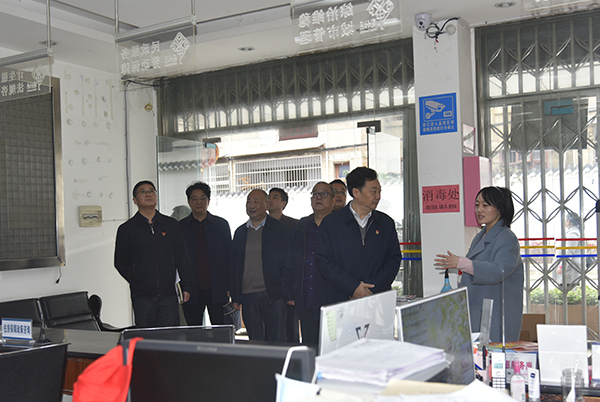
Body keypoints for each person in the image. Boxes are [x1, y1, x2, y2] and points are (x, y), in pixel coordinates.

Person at [435, 186, 524, 343]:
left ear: (500, 209)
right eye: (477, 205)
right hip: (478, 308)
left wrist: (462, 263)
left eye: (485, 205)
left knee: (493, 353)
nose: (479, 210)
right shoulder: (480, 236)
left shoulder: (507, 238)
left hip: (496, 313)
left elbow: (499, 271)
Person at [316, 167, 402, 308]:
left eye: (379, 191)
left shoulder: (386, 223)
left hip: (377, 300)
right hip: (341, 300)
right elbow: (324, 261)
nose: (378, 196)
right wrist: (353, 288)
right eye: (373, 191)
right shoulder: (331, 223)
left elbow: (393, 260)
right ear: (356, 192)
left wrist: (370, 289)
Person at [114, 180, 193, 328]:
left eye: (151, 191)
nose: (148, 194)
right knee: (147, 337)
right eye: (143, 192)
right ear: (135, 200)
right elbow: (120, 262)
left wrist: (187, 286)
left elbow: (182, 257)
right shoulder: (127, 229)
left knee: (170, 336)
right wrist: (138, 280)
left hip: (168, 294)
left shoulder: (171, 225)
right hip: (142, 296)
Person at [230, 189, 291, 342]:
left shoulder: (279, 229)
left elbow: (288, 263)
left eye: (256, 202)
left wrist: (286, 291)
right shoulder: (240, 232)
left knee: (276, 339)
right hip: (248, 295)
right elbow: (234, 266)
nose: (251, 205)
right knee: (255, 340)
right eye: (249, 202)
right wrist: (235, 295)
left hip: (273, 295)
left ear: (267, 205)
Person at [284, 181, 335, 347]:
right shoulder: (301, 226)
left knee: (332, 345)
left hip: (333, 299)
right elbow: (291, 260)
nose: (318, 197)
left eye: (323, 194)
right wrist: (289, 291)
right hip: (306, 297)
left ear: (333, 200)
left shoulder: (340, 225)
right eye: (315, 194)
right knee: (309, 345)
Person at [179, 182, 231, 326]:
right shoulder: (180, 227)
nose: (198, 202)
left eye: (202, 198)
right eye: (194, 198)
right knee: (194, 330)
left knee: (220, 329)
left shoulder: (221, 225)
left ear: (208, 201)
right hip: (191, 290)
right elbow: (177, 259)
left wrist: (229, 286)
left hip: (217, 287)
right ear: (189, 202)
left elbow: (229, 257)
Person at [268, 187, 300, 343]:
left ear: (283, 203)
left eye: (275, 197)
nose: (270, 200)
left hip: (288, 282)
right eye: (268, 197)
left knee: (290, 325)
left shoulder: (294, 225)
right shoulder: (260, 225)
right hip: (268, 284)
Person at [555, 211, 582, 288]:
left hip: (569, 271)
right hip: (568, 270)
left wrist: (562, 266)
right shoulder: (571, 232)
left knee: (567, 290)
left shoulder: (573, 233)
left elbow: (569, 251)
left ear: (569, 221)